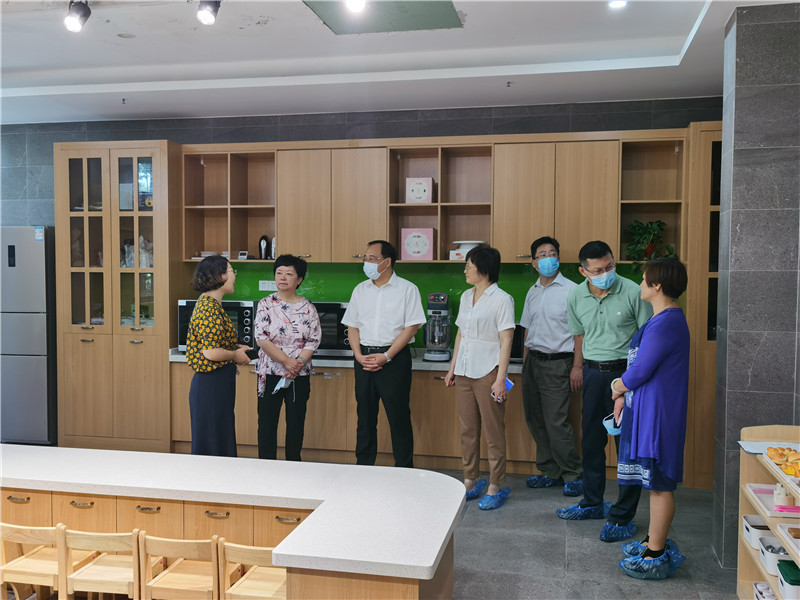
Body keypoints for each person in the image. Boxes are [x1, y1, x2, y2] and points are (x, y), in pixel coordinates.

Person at [557, 240, 653, 544]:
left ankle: (623, 515)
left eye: (609, 266)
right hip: (592, 374)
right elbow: (579, 335)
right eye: (597, 270)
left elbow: (646, 340)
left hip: (625, 375)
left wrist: (630, 383)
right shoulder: (576, 295)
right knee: (591, 440)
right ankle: (592, 502)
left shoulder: (633, 291)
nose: (605, 273)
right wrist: (577, 367)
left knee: (627, 447)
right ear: (583, 271)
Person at [612, 258, 689, 579]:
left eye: (645, 279)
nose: (641, 284)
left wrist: (617, 386)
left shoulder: (666, 322)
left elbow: (641, 369)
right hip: (650, 410)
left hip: (659, 414)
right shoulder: (662, 319)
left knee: (659, 483)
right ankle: (652, 541)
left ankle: (655, 553)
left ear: (657, 285)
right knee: (653, 482)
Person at [342, 240, 426, 468]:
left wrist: (387, 356)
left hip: (394, 359)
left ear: (387, 262)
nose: (366, 263)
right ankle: (364, 468)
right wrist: (358, 355)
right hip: (364, 358)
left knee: (398, 417)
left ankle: (404, 470)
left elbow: (411, 328)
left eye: (372, 259)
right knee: (365, 417)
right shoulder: (360, 290)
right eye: (365, 258)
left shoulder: (407, 289)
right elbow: (352, 326)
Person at [445, 246, 516, 510]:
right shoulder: (466, 296)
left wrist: (500, 378)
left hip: (489, 372)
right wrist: (452, 368)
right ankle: (469, 480)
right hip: (464, 371)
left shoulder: (502, 299)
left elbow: (506, 340)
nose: (465, 270)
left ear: (484, 269)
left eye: (469, 266)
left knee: (493, 431)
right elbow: (460, 334)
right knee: (468, 430)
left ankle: (495, 484)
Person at [520, 236, 583, 497]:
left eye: (553, 253)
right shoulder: (532, 291)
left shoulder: (572, 290)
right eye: (542, 255)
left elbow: (580, 333)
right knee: (535, 419)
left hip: (559, 363)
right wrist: (525, 363)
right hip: (533, 362)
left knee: (556, 422)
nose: (549, 258)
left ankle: (573, 473)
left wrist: (577, 366)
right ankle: (550, 471)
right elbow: (527, 329)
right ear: (534, 263)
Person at [254, 254, 321, 461]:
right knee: (267, 424)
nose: (283, 277)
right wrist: (286, 362)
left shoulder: (308, 307)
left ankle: (294, 465)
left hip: (298, 374)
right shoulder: (265, 304)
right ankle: (267, 467)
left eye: (289, 274)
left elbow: (313, 340)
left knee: (296, 423)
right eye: (279, 273)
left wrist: (297, 364)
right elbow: (262, 339)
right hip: (270, 372)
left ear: (299, 279)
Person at [186, 255, 251, 457]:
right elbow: (211, 352)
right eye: (232, 272)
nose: (235, 276)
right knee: (213, 442)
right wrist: (235, 355)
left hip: (217, 382)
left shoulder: (212, 305)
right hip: (211, 384)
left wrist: (235, 347)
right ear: (219, 276)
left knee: (219, 436)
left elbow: (214, 342)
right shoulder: (209, 308)